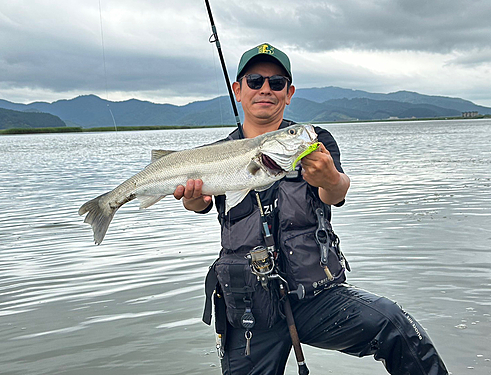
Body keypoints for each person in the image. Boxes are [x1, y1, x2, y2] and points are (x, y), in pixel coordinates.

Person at [173, 43, 448, 375]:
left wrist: (330, 177)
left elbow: (336, 193)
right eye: (255, 80)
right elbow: (197, 204)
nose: (265, 89)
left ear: (288, 93)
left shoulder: (313, 141)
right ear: (238, 90)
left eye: (276, 83)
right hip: (248, 307)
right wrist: (191, 200)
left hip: (317, 296)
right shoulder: (214, 156)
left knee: (396, 326)